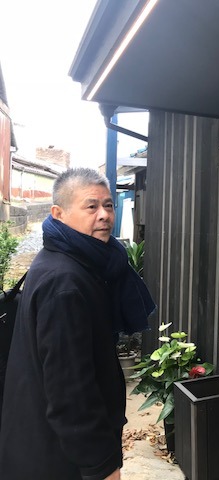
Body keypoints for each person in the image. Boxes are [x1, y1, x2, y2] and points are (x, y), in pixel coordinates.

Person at [0, 168, 155, 480]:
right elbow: (70, 392)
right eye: (91, 206)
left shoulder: (71, 260)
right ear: (58, 214)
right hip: (57, 459)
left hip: (44, 443)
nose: (104, 215)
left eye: (108, 205)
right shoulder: (65, 283)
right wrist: (101, 466)